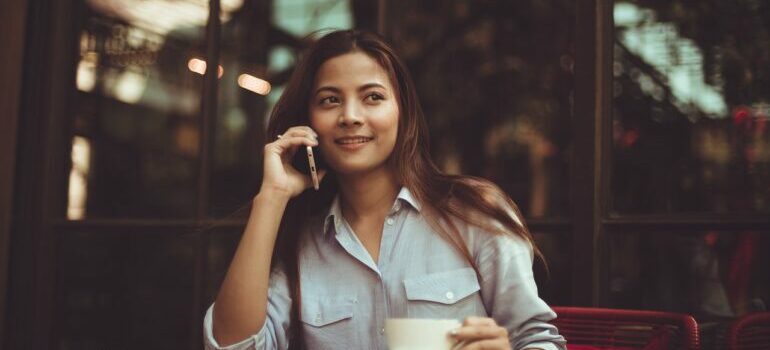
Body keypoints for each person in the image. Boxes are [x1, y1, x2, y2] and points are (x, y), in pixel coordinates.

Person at [203, 29, 566, 350]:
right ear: (309, 122)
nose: (350, 116)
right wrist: (271, 197)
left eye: (373, 97)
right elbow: (233, 347)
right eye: (330, 100)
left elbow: (538, 339)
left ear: (401, 112)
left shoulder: (474, 213)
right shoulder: (302, 245)